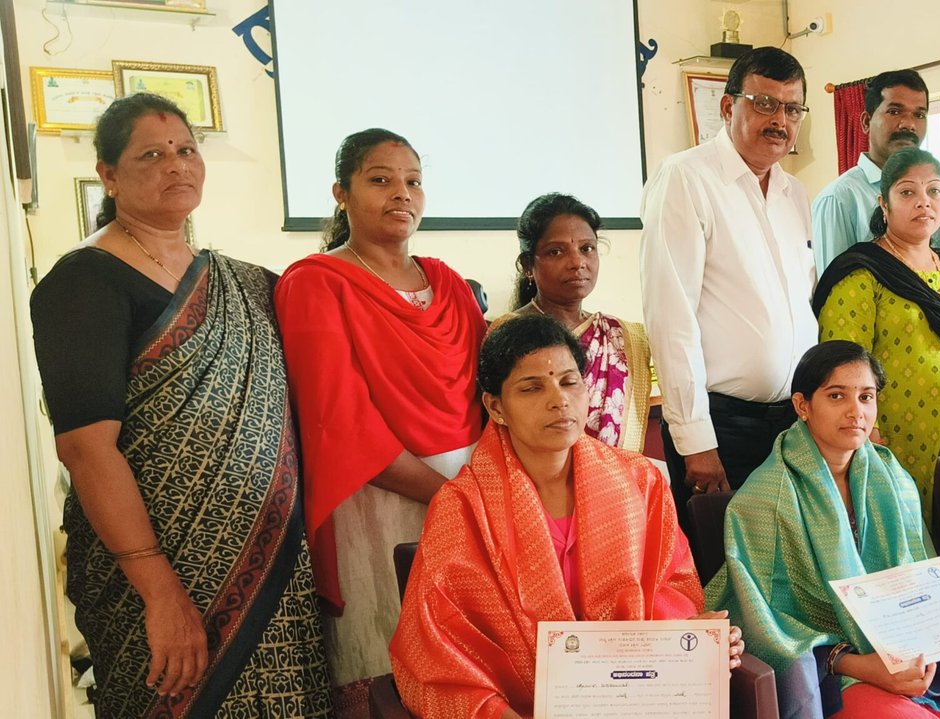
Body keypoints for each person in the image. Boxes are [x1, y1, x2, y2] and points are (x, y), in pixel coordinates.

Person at [30, 93, 328, 716]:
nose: (176, 164)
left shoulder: (248, 283)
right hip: (157, 583)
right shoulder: (82, 282)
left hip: (275, 569)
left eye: (186, 149)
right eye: (152, 154)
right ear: (109, 175)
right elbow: (86, 450)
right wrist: (160, 592)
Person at [391, 315, 742, 718]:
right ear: (496, 406)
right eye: (531, 387)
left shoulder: (640, 481)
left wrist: (693, 640)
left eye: (569, 382)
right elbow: (439, 655)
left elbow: (670, 589)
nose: (558, 400)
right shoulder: (462, 508)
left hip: (634, 697)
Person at [706, 340, 940, 719]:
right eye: (836, 396)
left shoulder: (891, 476)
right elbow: (767, 625)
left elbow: (923, 578)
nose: (856, 411)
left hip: (923, 654)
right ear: (803, 405)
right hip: (835, 674)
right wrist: (859, 664)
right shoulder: (764, 500)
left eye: (866, 397)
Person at [276, 129, 487, 715]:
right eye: (380, 179)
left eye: (413, 181)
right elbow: (340, 423)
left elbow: (491, 392)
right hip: (378, 500)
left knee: (470, 662)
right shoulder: (315, 282)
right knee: (389, 663)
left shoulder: (447, 281)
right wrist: (450, 495)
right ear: (341, 193)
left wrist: (481, 491)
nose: (402, 193)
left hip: (471, 493)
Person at [641, 46, 817, 517]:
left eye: (792, 109)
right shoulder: (686, 178)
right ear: (727, 107)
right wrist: (696, 439)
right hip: (722, 426)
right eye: (765, 104)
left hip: (794, 425)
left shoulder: (794, 194)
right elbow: (671, 318)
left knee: (788, 559)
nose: (779, 120)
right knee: (721, 559)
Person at [813, 148, 940, 516]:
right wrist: (869, 443)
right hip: (890, 456)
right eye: (907, 192)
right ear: (883, 204)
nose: (924, 202)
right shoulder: (861, 274)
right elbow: (843, 372)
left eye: (934, 191)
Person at [495, 192, 651, 452]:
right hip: (537, 474)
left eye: (587, 248)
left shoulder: (624, 337)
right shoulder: (508, 332)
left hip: (614, 474)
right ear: (527, 265)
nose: (577, 262)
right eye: (556, 252)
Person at [812, 69, 940, 273]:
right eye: (894, 112)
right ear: (866, 122)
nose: (909, 124)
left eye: (919, 115)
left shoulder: (938, 198)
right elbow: (834, 286)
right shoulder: (839, 199)